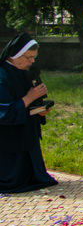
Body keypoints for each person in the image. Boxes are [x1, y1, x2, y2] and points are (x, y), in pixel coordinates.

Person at [0, 33, 57, 193]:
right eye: (28, 57)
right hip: (8, 141)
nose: (32, 61)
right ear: (14, 56)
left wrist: (41, 110)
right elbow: (4, 113)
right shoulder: (2, 76)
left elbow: (32, 106)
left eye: (34, 57)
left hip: (27, 133)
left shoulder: (26, 72)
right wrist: (29, 97)